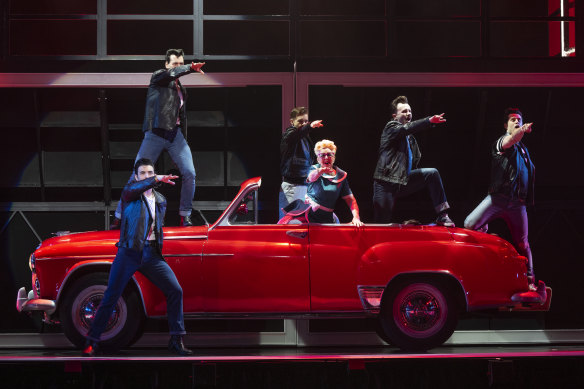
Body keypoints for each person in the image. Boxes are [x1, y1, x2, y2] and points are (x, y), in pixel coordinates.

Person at [83, 158, 192, 357]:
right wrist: (156, 178)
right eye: (143, 173)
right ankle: (92, 341)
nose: (147, 176)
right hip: (129, 252)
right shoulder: (130, 194)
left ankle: (176, 340)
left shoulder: (160, 200)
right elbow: (134, 190)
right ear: (136, 176)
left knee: (175, 290)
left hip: (151, 254)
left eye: (150, 172)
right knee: (111, 296)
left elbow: (156, 227)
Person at [111, 48, 205, 229]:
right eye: (175, 64)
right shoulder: (158, 78)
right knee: (136, 175)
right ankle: (119, 215)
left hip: (174, 135)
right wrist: (189, 68)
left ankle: (185, 215)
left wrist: (181, 143)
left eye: (181, 63)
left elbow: (182, 117)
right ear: (167, 65)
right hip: (155, 133)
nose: (178, 67)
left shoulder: (182, 90)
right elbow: (170, 74)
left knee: (190, 173)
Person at [464, 108, 536, 283]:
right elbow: (512, 139)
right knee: (469, 224)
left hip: (517, 204)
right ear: (506, 125)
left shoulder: (523, 150)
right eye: (513, 120)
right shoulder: (502, 142)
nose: (517, 122)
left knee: (523, 243)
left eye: (519, 119)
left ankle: (530, 277)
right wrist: (522, 130)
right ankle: (477, 263)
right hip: (498, 199)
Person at [372, 95, 454, 226]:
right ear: (394, 116)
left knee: (432, 173)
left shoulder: (410, 139)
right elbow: (406, 128)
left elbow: (413, 159)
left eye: (409, 111)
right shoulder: (391, 127)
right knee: (382, 224)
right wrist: (429, 121)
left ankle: (443, 215)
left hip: (402, 181)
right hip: (385, 183)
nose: (408, 113)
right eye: (404, 111)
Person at [279, 139, 364, 227]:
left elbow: (350, 200)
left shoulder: (341, 175)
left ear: (334, 157)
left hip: (326, 218)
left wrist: (356, 217)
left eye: (329, 155)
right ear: (318, 159)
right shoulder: (313, 169)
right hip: (308, 214)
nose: (326, 157)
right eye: (322, 155)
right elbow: (311, 177)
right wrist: (320, 171)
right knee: (295, 229)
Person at [279, 107, 324, 218]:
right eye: (300, 121)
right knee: (289, 223)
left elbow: (309, 160)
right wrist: (310, 126)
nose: (303, 124)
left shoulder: (305, 138)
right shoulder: (289, 135)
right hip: (291, 186)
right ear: (292, 122)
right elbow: (294, 136)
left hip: (304, 185)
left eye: (305, 121)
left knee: (300, 223)